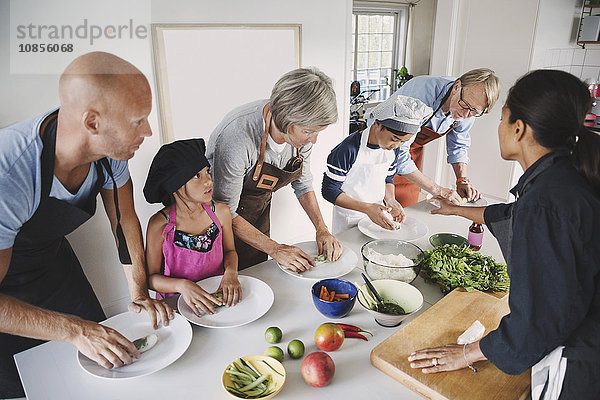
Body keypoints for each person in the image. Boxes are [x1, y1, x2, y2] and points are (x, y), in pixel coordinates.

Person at [408, 70, 600, 399]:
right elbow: (512, 216)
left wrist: (467, 353)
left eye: (500, 117)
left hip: (579, 363)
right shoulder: (563, 180)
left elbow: (534, 326)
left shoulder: (544, 204)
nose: (497, 127)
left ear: (519, 128)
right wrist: (457, 210)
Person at [0, 52, 173, 398]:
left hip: (54, 264)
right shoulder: (10, 175)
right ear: (92, 123)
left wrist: (138, 292)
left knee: (103, 365)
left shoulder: (111, 153)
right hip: (7, 291)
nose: (149, 131)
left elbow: (124, 220)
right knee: (32, 384)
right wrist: (75, 330)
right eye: (138, 120)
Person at [207, 67, 343, 272]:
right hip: (217, 221)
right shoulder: (238, 138)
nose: (314, 140)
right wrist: (276, 249)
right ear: (287, 122)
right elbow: (224, 211)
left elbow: (303, 184)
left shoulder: (300, 137)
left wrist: (322, 229)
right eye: (309, 132)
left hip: (257, 210)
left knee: (257, 272)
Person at [143, 139, 242, 315]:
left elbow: (230, 252)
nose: (208, 181)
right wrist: (183, 285)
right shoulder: (160, 225)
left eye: (207, 172)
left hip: (218, 299)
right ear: (176, 185)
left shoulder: (220, 212)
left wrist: (231, 273)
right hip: (177, 306)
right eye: (197, 176)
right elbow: (151, 278)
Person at [322, 95, 433, 234]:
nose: (396, 145)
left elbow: (387, 178)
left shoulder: (394, 150)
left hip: (378, 216)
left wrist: (391, 200)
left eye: (403, 142)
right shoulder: (348, 149)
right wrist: (367, 208)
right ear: (377, 124)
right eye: (394, 139)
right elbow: (329, 190)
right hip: (349, 219)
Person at [391, 68, 500, 206]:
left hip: (411, 153)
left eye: (474, 111)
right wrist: (438, 190)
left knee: (405, 210)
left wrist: (462, 180)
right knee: (375, 209)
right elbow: (397, 152)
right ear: (457, 86)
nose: (466, 114)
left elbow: (458, 146)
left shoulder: (469, 105)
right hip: (382, 148)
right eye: (465, 105)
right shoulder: (422, 93)